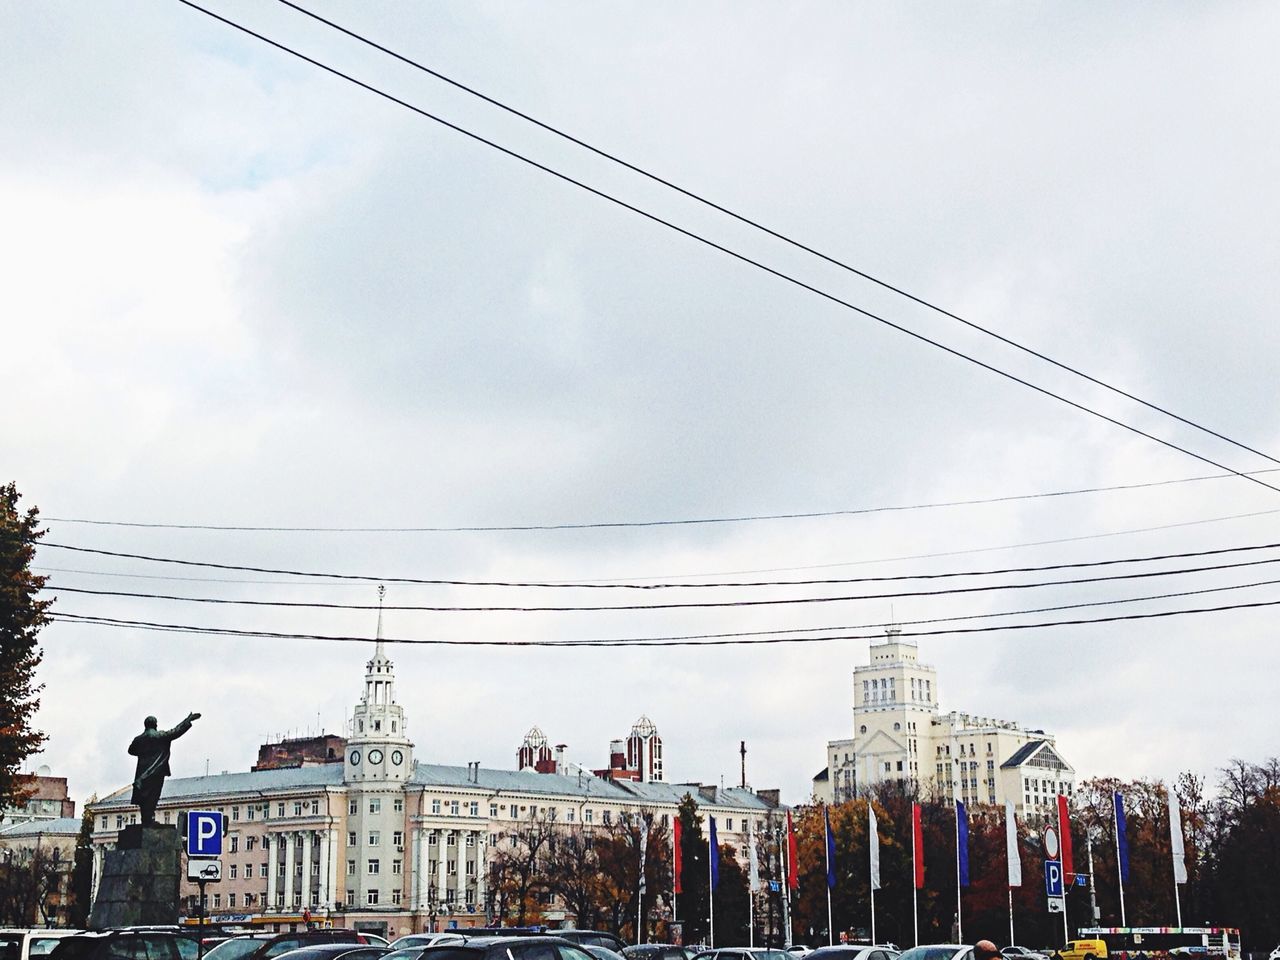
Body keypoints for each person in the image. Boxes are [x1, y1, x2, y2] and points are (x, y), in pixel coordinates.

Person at [129, 712, 201, 825]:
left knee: (144, 797)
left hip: (142, 775)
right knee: (153, 796)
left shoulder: (138, 739)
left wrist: (144, 751)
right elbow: (176, 731)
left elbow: (131, 750)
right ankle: (149, 820)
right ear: (155, 725)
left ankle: (146, 819)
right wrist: (188, 720)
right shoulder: (160, 736)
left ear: (145, 725)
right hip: (157, 772)